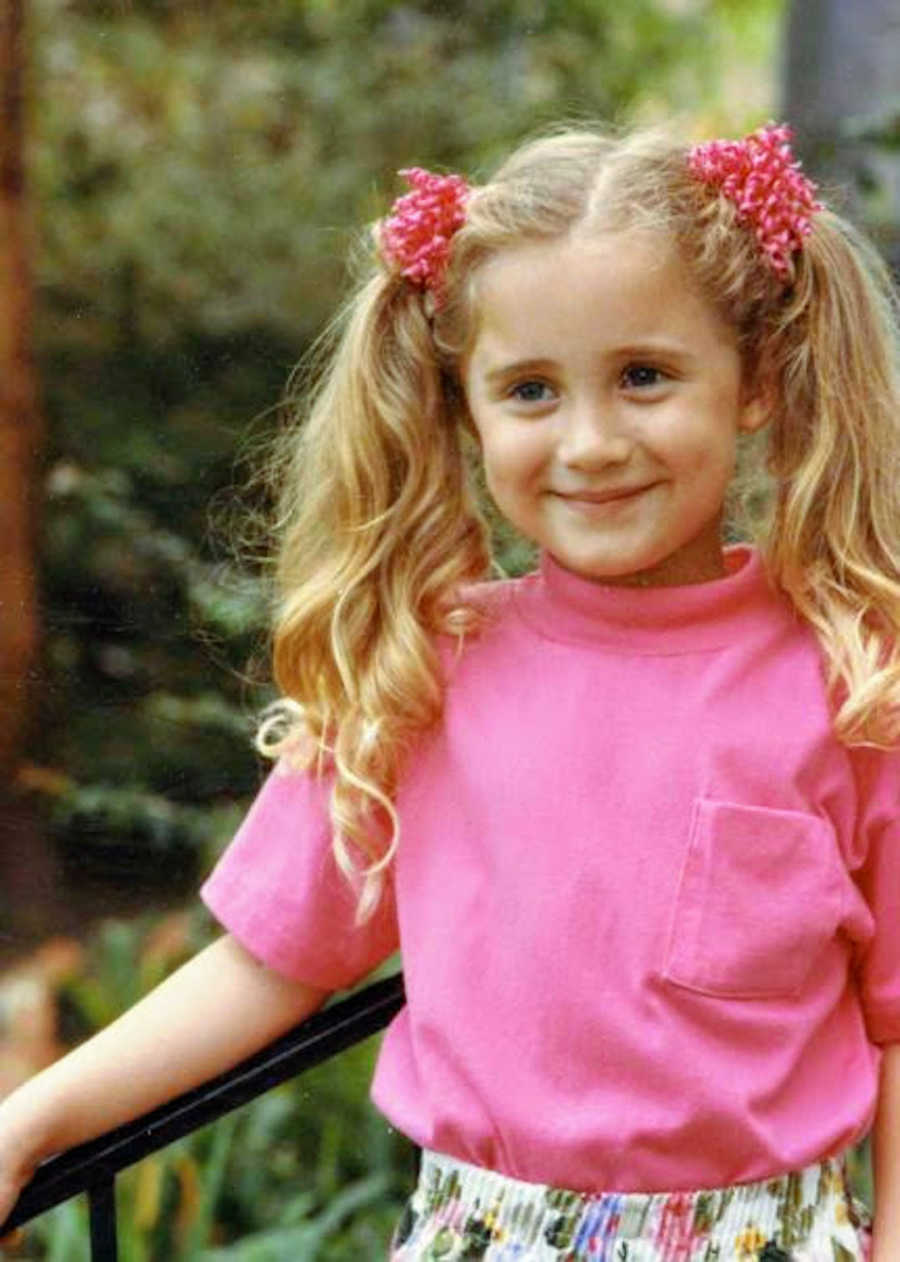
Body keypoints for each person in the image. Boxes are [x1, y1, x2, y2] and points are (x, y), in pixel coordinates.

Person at [1, 121, 898, 1261]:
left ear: (757, 379)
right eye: (530, 389)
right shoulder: (424, 667)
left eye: (644, 376)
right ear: (465, 412)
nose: (591, 441)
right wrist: (28, 1119)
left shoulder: (851, 680)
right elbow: (269, 958)